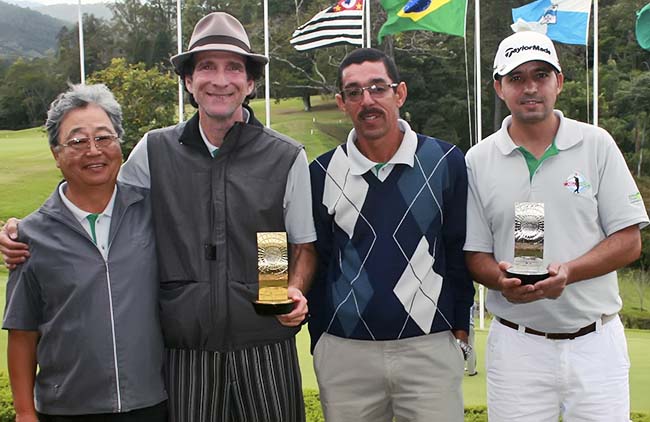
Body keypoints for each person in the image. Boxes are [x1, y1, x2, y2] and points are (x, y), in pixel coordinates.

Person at [1, 12, 317, 422]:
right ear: (188, 81)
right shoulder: (155, 150)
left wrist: (292, 288)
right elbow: (95, 186)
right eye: (206, 66)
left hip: (266, 345)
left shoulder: (285, 155)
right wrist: (24, 229)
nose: (220, 79)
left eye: (233, 68)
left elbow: (301, 245)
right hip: (186, 354)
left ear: (250, 82)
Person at [464, 30, 649, 422]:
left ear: (559, 82)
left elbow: (629, 241)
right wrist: (501, 283)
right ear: (499, 87)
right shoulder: (478, 160)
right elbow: (475, 254)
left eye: (541, 75)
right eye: (516, 78)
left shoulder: (596, 144)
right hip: (517, 345)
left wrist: (569, 272)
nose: (530, 88)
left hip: (596, 344)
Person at [308, 48, 474, 422]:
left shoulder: (445, 162)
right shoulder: (320, 172)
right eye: (354, 92)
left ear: (399, 93)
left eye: (377, 88)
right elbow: (315, 258)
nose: (367, 100)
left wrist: (460, 328)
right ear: (341, 102)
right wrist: (320, 338)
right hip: (345, 353)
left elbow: (458, 248)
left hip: (429, 346)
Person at [2, 84, 166, 422]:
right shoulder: (30, 236)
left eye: (104, 138)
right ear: (56, 153)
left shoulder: (154, 212)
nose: (94, 151)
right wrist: (23, 413)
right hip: (66, 411)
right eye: (77, 141)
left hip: (150, 404)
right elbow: (22, 333)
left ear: (120, 144)